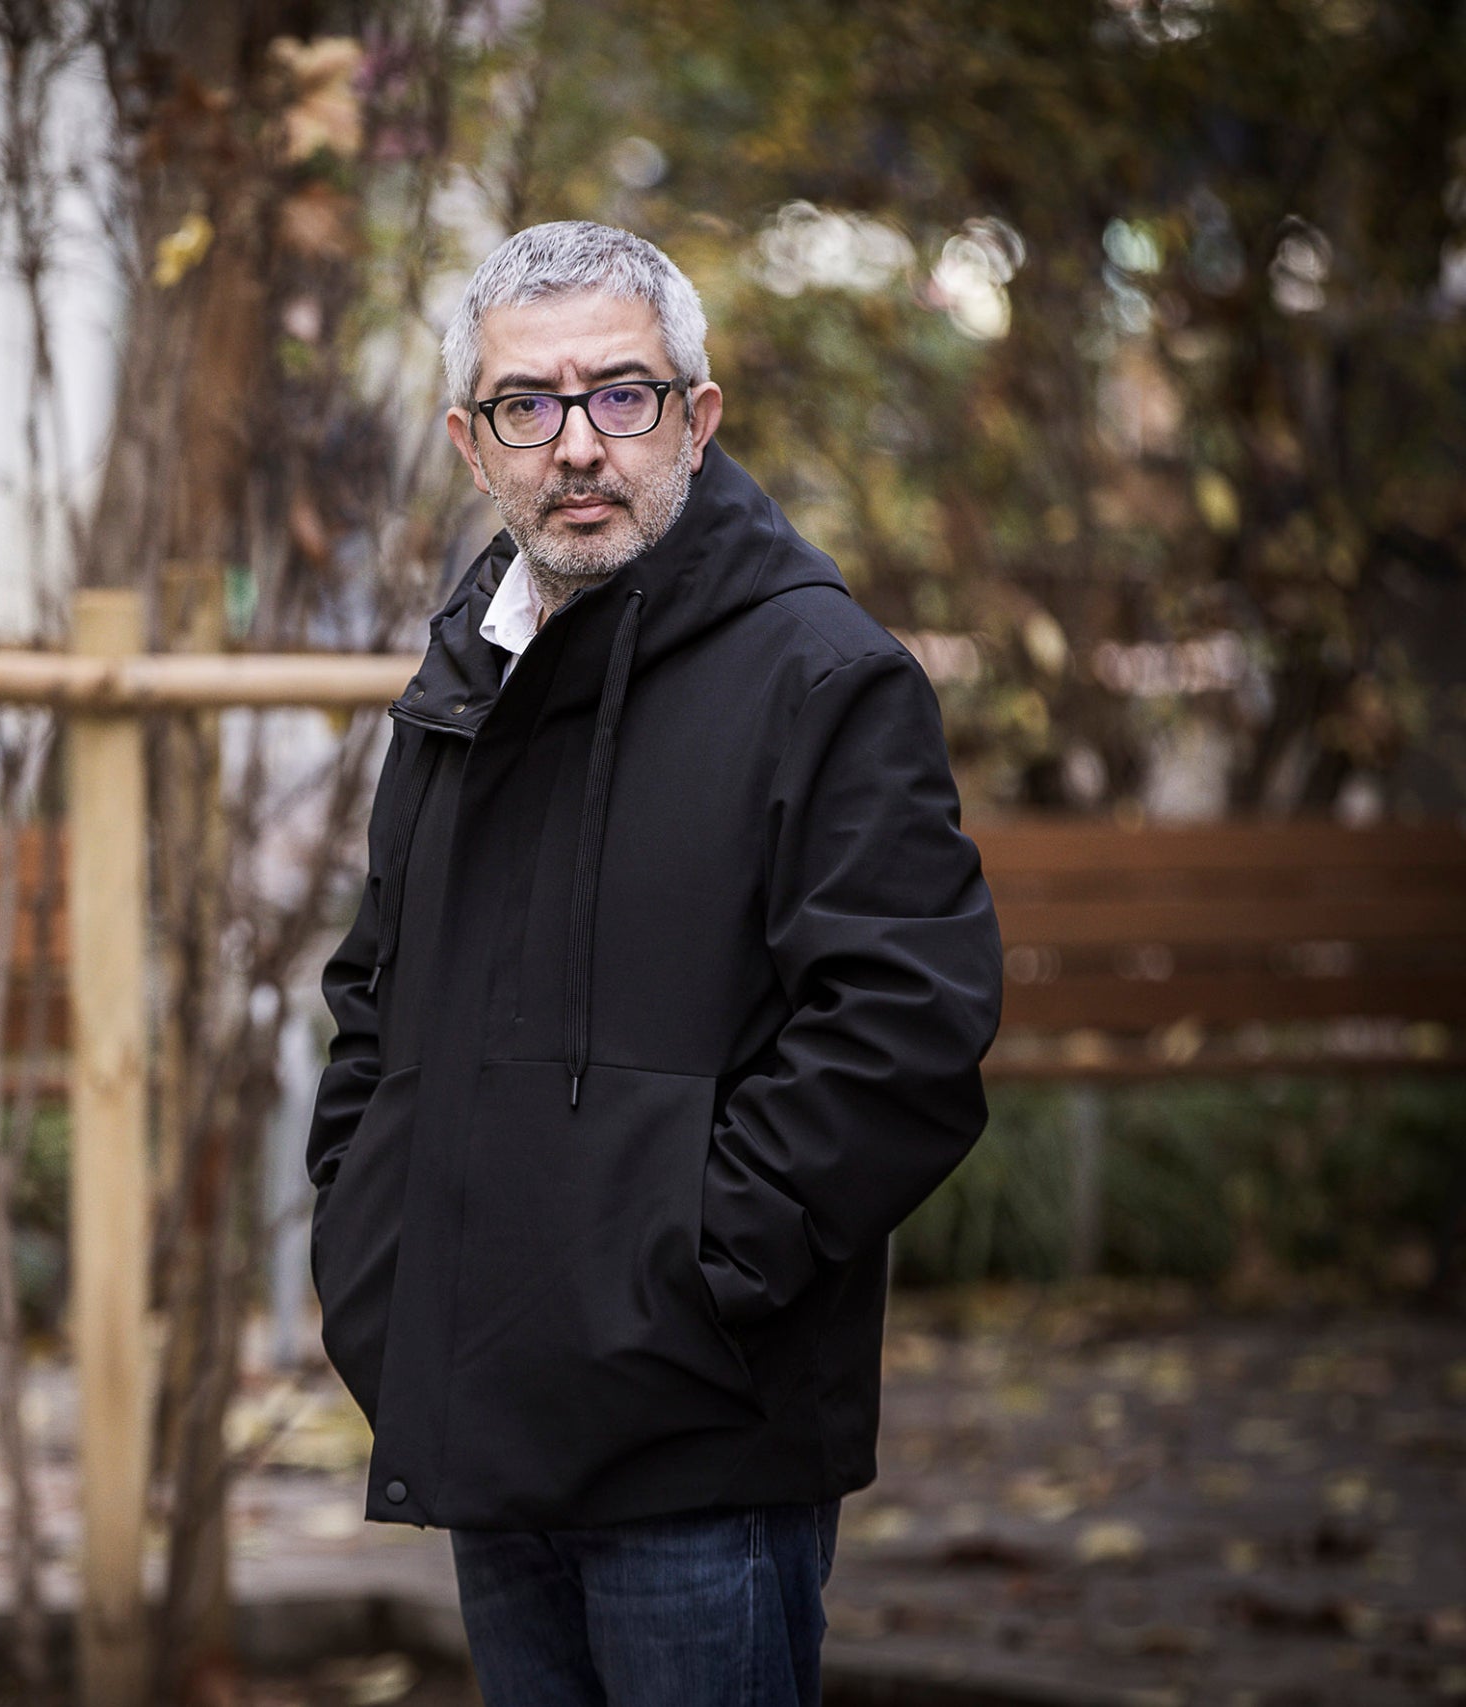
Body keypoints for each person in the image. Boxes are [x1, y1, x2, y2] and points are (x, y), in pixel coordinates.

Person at [305, 221, 1003, 1706]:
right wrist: (369, 1240)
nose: (577, 444)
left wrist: (686, 1280)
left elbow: (904, 1037)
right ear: (469, 444)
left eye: (620, 394)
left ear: (697, 416)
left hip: (702, 1439)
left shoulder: (824, 676)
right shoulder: (464, 683)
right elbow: (375, 994)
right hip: (489, 1413)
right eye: (527, 404)